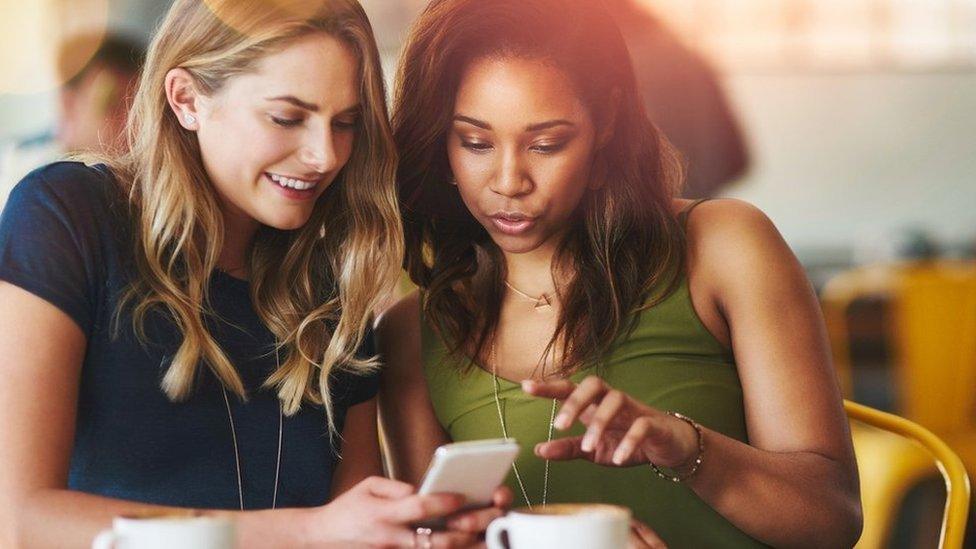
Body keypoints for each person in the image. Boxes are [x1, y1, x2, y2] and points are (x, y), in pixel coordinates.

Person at [0, 0, 502, 547]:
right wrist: (308, 531)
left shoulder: (332, 283)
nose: (324, 155)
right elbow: (19, 520)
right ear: (187, 99)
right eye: (287, 117)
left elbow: (351, 530)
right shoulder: (66, 218)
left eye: (346, 123)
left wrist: (416, 533)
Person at [378, 0, 862, 547]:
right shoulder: (414, 332)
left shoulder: (724, 246)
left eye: (546, 144)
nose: (509, 181)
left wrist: (686, 449)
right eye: (475, 142)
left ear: (605, 122)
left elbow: (832, 519)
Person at [604, 0, 750, 199]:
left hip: (649, 218)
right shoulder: (687, 58)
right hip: (702, 212)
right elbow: (738, 160)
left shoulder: (614, 71)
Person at [0, 34, 146, 209]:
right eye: (112, 104)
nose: (132, 122)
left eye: (140, 108)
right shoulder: (24, 180)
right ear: (68, 104)